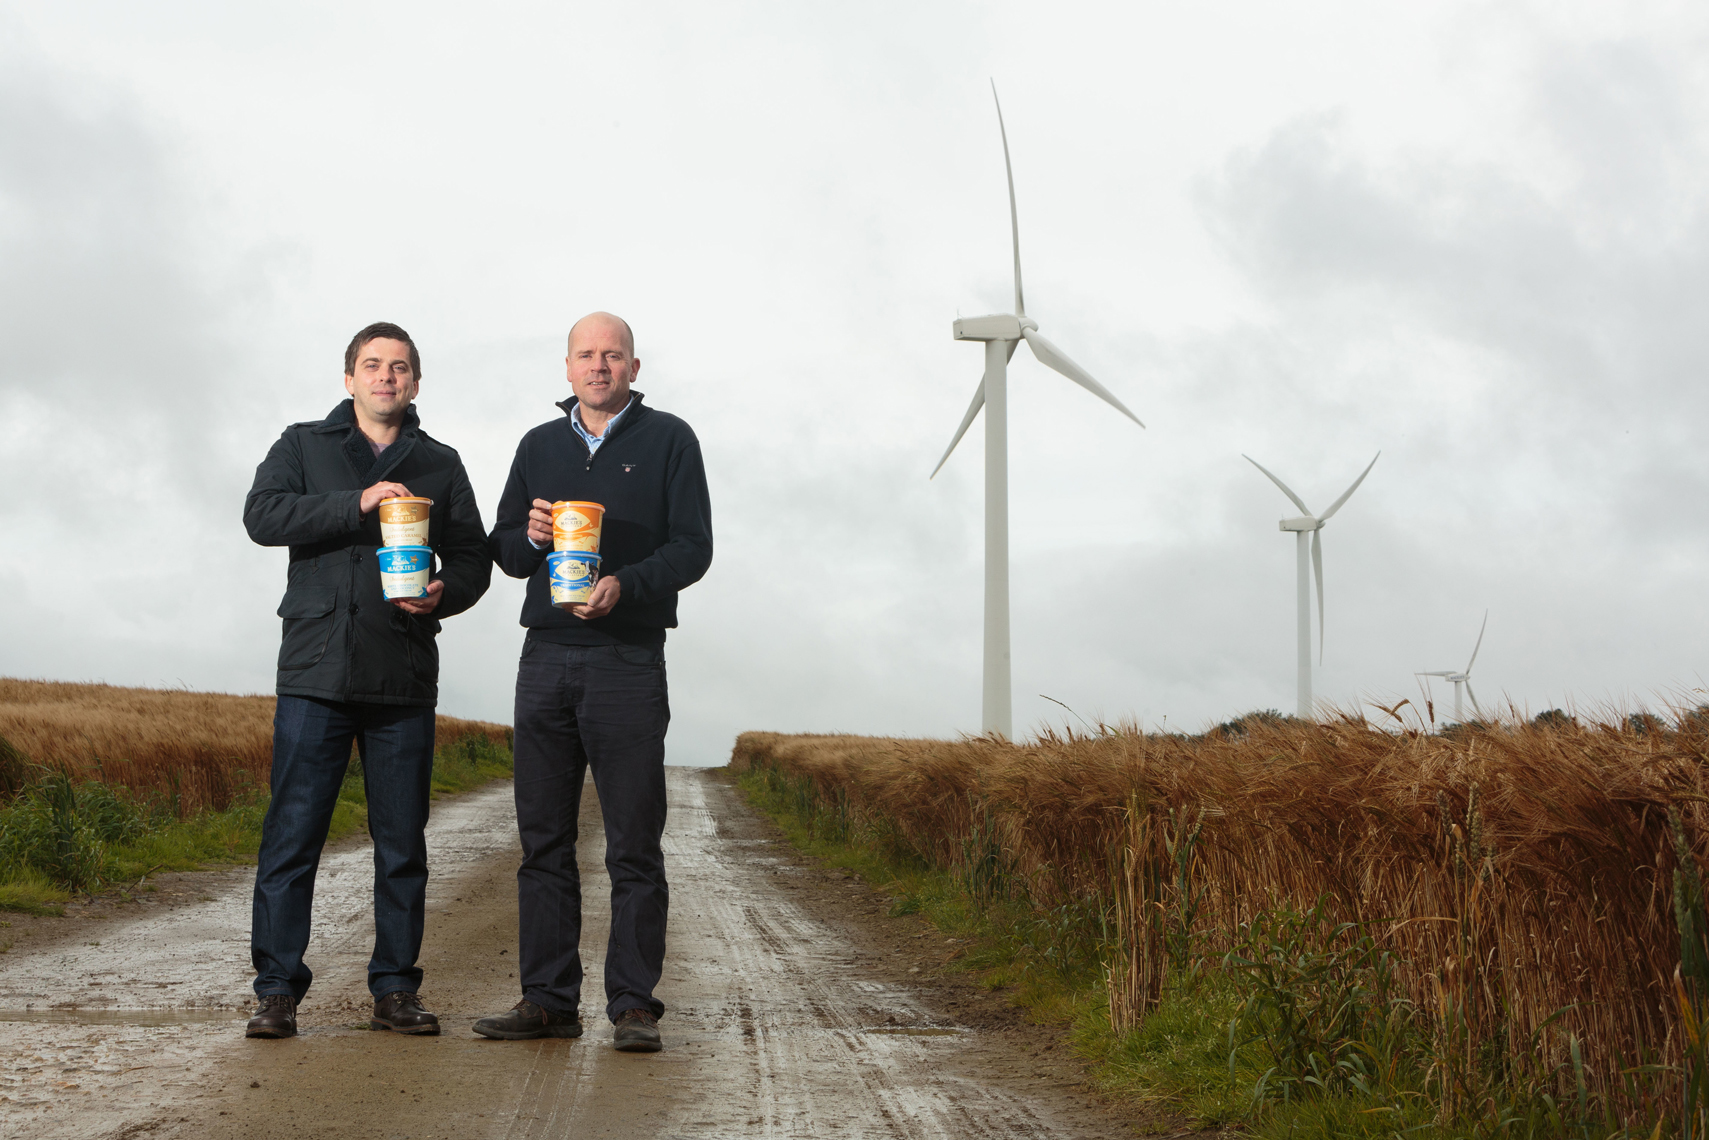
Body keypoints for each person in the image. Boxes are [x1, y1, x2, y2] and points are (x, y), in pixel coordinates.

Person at [241, 321, 491, 1039]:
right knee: (291, 839)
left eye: (400, 367)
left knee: (401, 844)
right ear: (348, 378)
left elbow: (472, 557)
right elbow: (261, 516)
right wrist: (356, 502)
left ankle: (395, 991)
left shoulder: (440, 463)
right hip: (314, 672)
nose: (387, 377)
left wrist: (445, 589)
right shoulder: (302, 446)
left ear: (415, 383)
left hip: (402, 675)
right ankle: (276, 991)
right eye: (373, 366)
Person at [475, 311, 712, 1052]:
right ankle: (546, 999)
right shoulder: (537, 445)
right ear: (567, 367)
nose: (599, 366)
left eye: (613, 355)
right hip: (543, 657)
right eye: (586, 355)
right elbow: (504, 550)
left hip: (627, 659)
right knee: (542, 841)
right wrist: (531, 537)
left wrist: (627, 585)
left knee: (632, 843)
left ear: (634, 369)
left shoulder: (670, 439)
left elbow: (693, 548)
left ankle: (633, 1003)